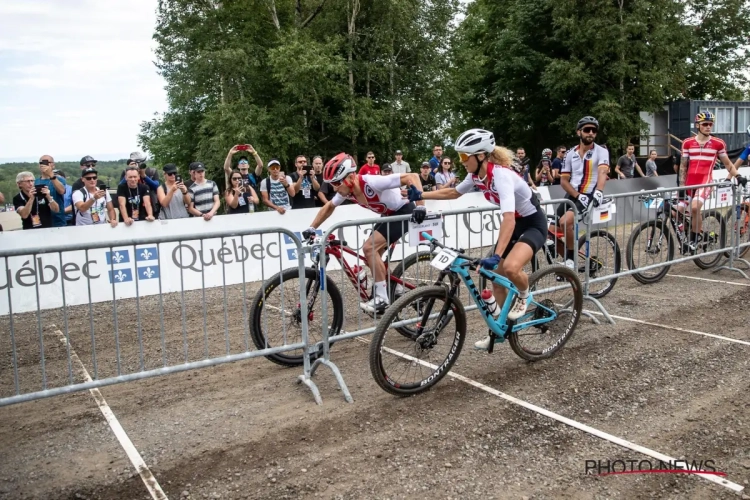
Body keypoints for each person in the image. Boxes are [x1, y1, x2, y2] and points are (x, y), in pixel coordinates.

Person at [406, 129, 548, 350]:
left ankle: (524, 294)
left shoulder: (501, 176)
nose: (460, 161)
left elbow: (508, 219)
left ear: (481, 156)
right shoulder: (475, 176)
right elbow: (453, 193)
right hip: (517, 222)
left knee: (510, 268)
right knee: (495, 277)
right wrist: (421, 195)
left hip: (533, 222)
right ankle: (499, 329)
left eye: (464, 157)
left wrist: (498, 255)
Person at [305, 153, 425, 314]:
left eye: (336, 183)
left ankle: (382, 298)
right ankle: (398, 290)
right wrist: (311, 227)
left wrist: (421, 206)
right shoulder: (345, 190)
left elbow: (412, 176)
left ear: (349, 178)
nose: (334, 188)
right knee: (371, 259)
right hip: (389, 215)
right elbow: (329, 207)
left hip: (404, 211)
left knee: (369, 249)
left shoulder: (372, 181)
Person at [679, 111, 745, 252]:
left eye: (710, 124)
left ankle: (694, 240)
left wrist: (738, 176)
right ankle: (693, 231)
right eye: (705, 124)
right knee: (676, 212)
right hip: (690, 182)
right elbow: (683, 166)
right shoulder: (687, 143)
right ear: (698, 125)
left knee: (695, 207)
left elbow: (728, 164)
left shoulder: (718, 143)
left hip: (705, 181)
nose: (708, 127)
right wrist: (681, 186)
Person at [552, 116, 611, 271]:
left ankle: (571, 261)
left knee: (565, 222)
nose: (590, 133)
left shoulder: (601, 151)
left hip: (590, 194)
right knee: (549, 232)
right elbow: (564, 181)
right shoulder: (570, 154)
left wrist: (599, 191)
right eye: (587, 130)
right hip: (574, 194)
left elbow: (603, 171)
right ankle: (568, 261)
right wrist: (577, 195)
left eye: (594, 130)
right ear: (579, 132)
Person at [37, 155, 67, 227]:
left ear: (53, 165)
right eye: (42, 163)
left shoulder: (59, 179)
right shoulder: (36, 182)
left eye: (47, 162)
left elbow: (62, 191)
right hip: (42, 221)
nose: (44, 165)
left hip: (58, 220)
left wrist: (51, 175)